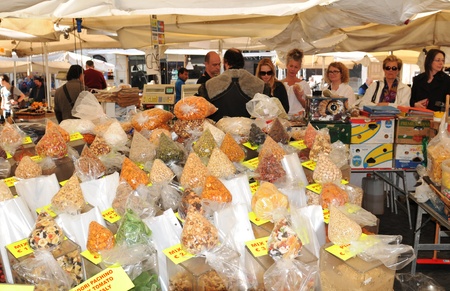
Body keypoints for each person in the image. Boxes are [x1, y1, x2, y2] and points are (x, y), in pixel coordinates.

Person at [198, 48, 270, 121]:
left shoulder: (208, 86)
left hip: (219, 131)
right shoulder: (261, 85)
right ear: (243, 62)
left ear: (225, 62)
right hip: (251, 130)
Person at [281, 49, 312, 115]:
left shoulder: (304, 85)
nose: (292, 69)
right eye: (291, 66)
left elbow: (309, 107)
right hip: (283, 119)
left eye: (296, 67)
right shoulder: (280, 84)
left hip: (298, 119)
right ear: (287, 65)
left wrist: (299, 98)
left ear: (299, 68)